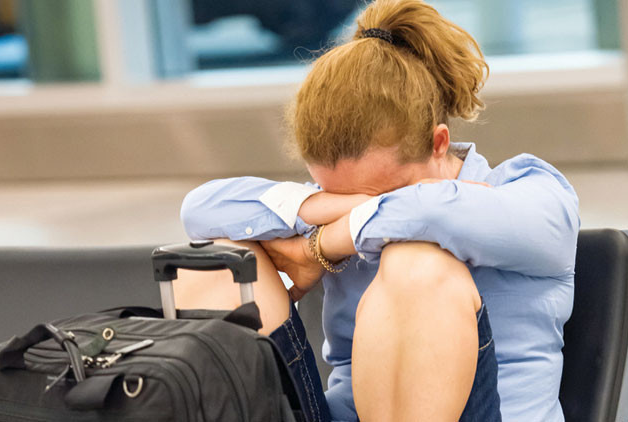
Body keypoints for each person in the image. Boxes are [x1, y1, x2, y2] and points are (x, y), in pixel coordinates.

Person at [176, 0, 580, 420]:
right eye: (337, 197)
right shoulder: (337, 206)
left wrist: (323, 245)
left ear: (439, 143)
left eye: (382, 195)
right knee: (220, 264)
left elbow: (431, 214)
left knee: (415, 261)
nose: (365, 209)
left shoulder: (532, 195)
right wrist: (330, 208)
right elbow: (200, 209)